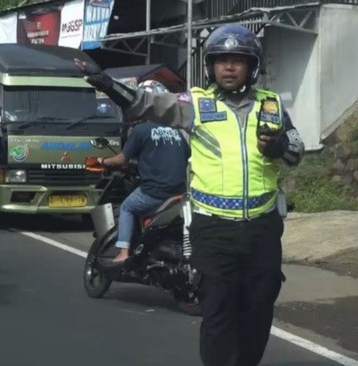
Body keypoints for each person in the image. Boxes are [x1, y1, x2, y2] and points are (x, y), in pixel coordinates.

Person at [76, 23, 304, 366]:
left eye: (237, 60)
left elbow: (297, 151)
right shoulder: (194, 104)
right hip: (213, 230)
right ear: (211, 66)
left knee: (258, 308)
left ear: (251, 66)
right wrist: (107, 84)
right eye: (221, 60)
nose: (228, 67)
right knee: (217, 310)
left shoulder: (270, 106)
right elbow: (146, 105)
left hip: (262, 229)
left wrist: (280, 146)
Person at [97, 79, 190, 263]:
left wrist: (103, 161)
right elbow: (185, 156)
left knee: (127, 207)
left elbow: (121, 159)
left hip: (154, 193)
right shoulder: (177, 133)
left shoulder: (140, 130)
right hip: (178, 193)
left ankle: (124, 253)